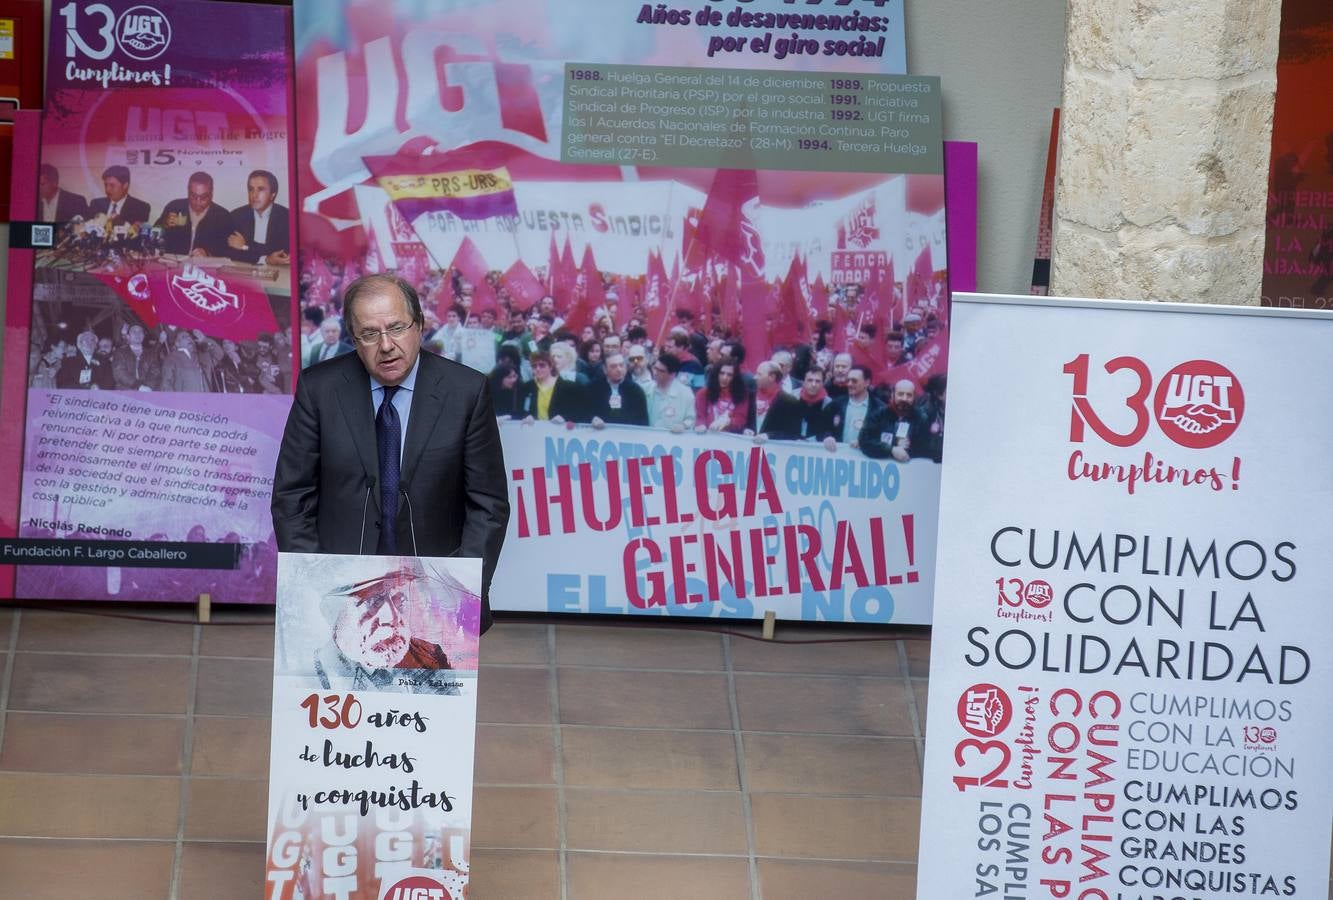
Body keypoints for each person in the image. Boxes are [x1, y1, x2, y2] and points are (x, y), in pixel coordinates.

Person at [272, 274, 510, 632]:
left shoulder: (466, 392)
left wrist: (457, 587)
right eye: (370, 334)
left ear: (419, 326)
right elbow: (293, 497)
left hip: (437, 594)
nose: (386, 345)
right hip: (338, 596)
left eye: (397, 328)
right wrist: (318, 582)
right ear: (354, 339)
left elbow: (488, 506)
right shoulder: (319, 389)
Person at [312, 566, 464, 694]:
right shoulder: (314, 672)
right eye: (373, 601)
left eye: (396, 598)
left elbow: (450, 716)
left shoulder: (430, 657)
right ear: (335, 613)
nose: (392, 617)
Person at [155, 172, 234, 257]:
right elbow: (153, 236)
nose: (198, 201)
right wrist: (164, 224)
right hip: (174, 265)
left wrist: (208, 254)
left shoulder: (222, 216)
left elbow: (228, 250)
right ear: (188, 191)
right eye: (193, 196)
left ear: (211, 194)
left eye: (203, 197)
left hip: (204, 267)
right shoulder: (175, 207)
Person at [226, 169, 291, 265]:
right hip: (244, 269)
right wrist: (266, 259)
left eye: (260, 189)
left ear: (273, 194)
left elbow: (282, 252)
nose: (254, 195)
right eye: (251, 189)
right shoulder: (236, 216)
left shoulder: (287, 217)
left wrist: (246, 246)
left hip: (280, 272)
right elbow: (232, 251)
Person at [860, 378, 931, 462]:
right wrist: (892, 449)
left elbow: (927, 448)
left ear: (914, 397)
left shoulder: (921, 418)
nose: (904, 398)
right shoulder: (878, 414)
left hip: (910, 469)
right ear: (892, 395)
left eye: (909, 395)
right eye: (900, 394)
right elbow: (865, 441)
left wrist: (908, 448)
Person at [825, 364, 884, 450]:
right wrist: (827, 437)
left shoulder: (879, 408)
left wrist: (866, 443)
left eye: (854, 381)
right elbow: (823, 427)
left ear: (867, 382)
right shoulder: (836, 404)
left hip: (866, 459)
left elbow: (884, 437)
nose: (849, 384)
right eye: (848, 380)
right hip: (837, 457)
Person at [517, 350, 583, 423]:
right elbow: (520, 411)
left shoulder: (568, 387)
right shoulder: (527, 387)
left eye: (542, 365)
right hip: (533, 430)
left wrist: (565, 417)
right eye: (534, 366)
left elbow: (579, 411)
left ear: (551, 366)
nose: (538, 369)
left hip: (559, 431)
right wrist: (526, 416)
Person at [589, 352, 649, 427]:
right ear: (604, 369)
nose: (619, 369)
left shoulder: (636, 391)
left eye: (621, 365)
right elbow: (585, 414)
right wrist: (592, 419)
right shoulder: (593, 389)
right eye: (613, 366)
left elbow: (643, 422)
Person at [751, 360, 803, 439]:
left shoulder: (789, 402)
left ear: (772, 377)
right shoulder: (751, 396)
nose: (754, 377)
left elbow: (793, 434)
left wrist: (769, 436)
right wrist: (746, 429)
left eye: (759, 374)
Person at [694, 362, 750, 434]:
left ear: (735, 378)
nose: (724, 378)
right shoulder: (703, 393)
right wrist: (701, 425)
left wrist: (728, 422)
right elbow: (700, 417)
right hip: (706, 436)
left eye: (729, 375)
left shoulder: (742, 394)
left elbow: (741, 420)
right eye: (721, 373)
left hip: (730, 438)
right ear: (716, 374)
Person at [646, 353, 696, 432]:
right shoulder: (647, 388)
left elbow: (691, 419)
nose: (655, 373)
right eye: (655, 368)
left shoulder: (686, 393)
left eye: (661, 371)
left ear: (672, 374)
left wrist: (683, 425)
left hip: (673, 440)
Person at [111, 324, 161, 391]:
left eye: (140, 331)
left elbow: (155, 372)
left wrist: (149, 387)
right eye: (134, 331)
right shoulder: (119, 352)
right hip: (125, 392)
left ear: (143, 336)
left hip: (147, 391)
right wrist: (138, 386)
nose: (137, 334)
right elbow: (119, 373)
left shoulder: (151, 354)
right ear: (128, 336)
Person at [793, 366, 835, 441]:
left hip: (815, 446)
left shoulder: (828, 403)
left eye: (818, 381)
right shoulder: (792, 397)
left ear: (823, 383)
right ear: (803, 381)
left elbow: (827, 430)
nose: (813, 384)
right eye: (810, 380)